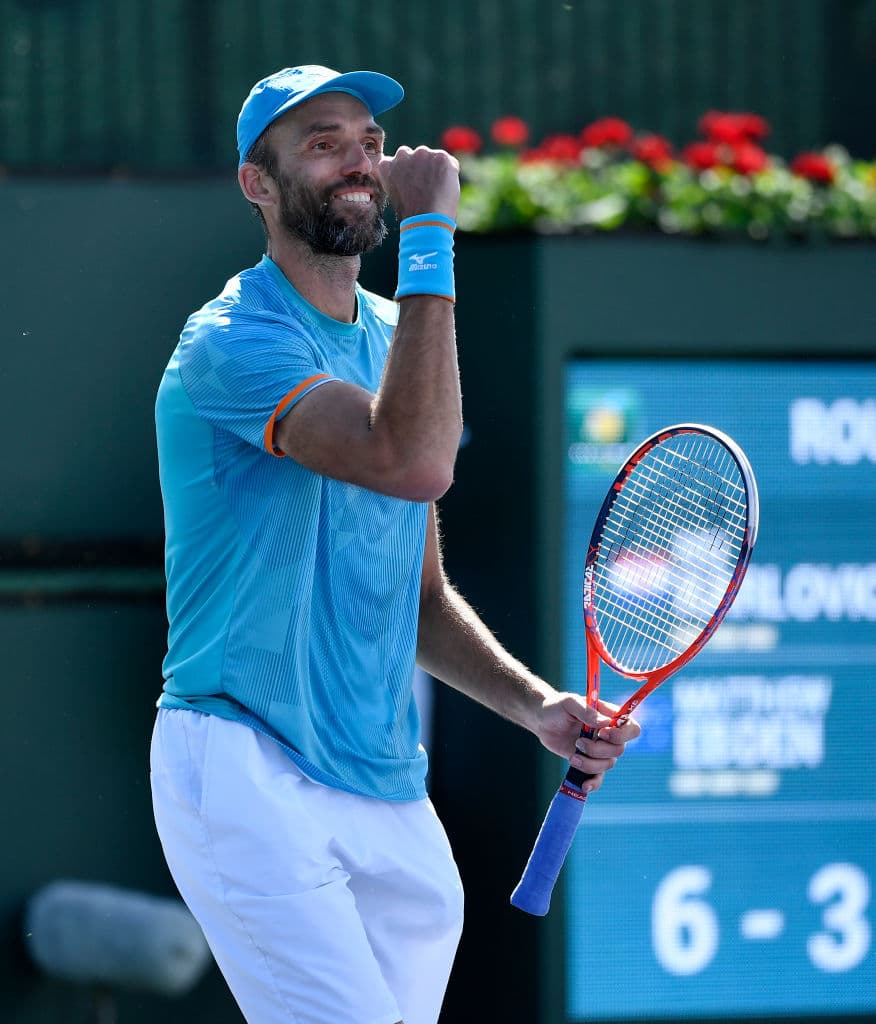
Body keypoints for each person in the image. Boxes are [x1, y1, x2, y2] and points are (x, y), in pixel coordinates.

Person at [150, 64, 640, 1024]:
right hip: (245, 763)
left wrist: (539, 707)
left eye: (368, 142)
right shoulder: (230, 343)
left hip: (388, 787)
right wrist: (429, 235)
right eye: (323, 143)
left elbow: (416, 599)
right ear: (259, 184)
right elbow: (410, 461)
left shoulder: (396, 336)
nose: (360, 161)